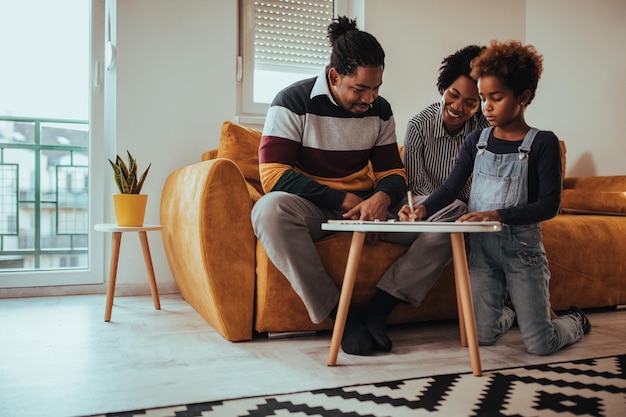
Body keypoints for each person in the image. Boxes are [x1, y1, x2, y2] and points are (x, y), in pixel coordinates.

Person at [400, 40, 591, 355]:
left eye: (496, 98)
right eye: (484, 98)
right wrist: (421, 211)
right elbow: (449, 189)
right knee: (482, 336)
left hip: (523, 255)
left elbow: (549, 205)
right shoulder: (476, 140)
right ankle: (513, 313)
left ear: (523, 97)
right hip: (483, 255)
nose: (486, 106)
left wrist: (497, 215)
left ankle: (575, 321)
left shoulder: (544, 143)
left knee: (540, 345)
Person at [251, 16, 406, 356]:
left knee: (448, 222)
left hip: (369, 211)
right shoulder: (292, 101)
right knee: (269, 210)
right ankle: (341, 316)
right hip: (317, 209)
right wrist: (342, 200)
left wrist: (380, 198)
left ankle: (379, 310)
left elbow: (394, 173)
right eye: (360, 89)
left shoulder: (380, 111)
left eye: (376, 87)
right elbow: (273, 175)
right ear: (335, 76)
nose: (370, 98)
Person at [355, 45, 492, 353]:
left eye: (471, 102)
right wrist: (428, 207)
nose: (458, 106)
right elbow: (415, 187)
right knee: (455, 210)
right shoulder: (419, 125)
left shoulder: (484, 129)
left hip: (457, 217)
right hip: (421, 211)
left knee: (457, 214)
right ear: (444, 87)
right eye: (454, 95)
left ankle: (380, 307)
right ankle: (378, 309)